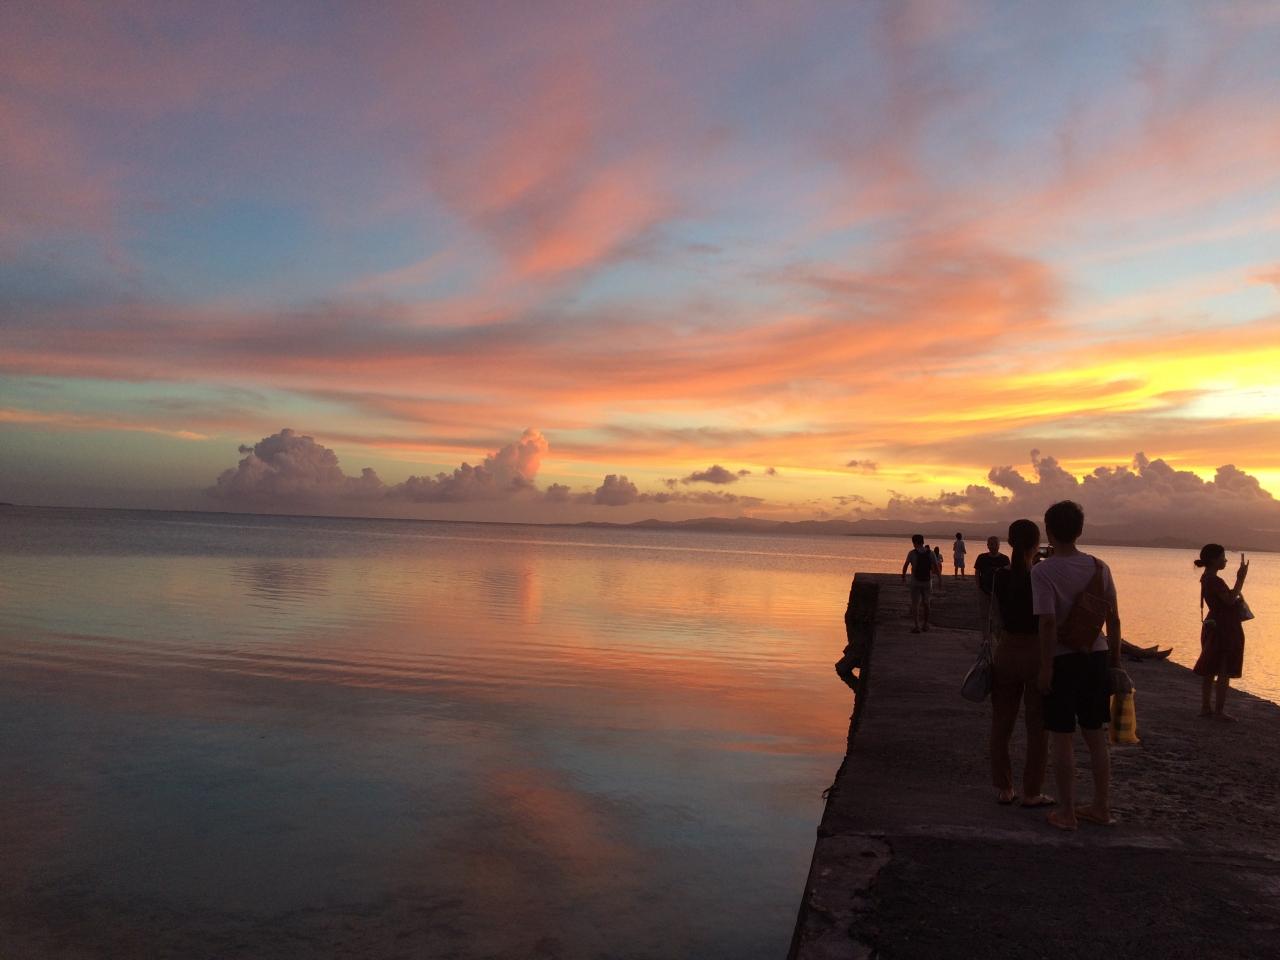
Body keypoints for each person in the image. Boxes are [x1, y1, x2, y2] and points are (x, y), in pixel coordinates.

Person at [1033, 500, 1127, 831]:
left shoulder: (1042, 572)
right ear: (1080, 530)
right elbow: (1114, 620)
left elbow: (1047, 623)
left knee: (1062, 736)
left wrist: (1045, 668)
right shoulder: (1100, 567)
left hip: (1062, 659)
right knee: (1095, 734)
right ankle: (1101, 806)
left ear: (1048, 531)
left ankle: (1067, 812)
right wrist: (1115, 662)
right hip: (1096, 656)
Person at [990, 519, 1051, 807]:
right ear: (1036, 544)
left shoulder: (999, 576)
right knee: (1037, 727)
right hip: (1035, 651)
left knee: (1001, 724)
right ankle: (1031, 792)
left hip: (1006, 649)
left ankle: (1004, 788)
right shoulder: (1041, 576)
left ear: (1010, 542)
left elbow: (994, 615)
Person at [1193, 544, 1249, 721]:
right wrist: (1240, 579)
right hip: (1224, 626)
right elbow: (1230, 600)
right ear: (1213, 560)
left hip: (1214, 623)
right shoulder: (1214, 581)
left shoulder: (1206, 578)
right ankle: (1218, 711)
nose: (1225, 560)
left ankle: (1206, 708)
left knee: (1210, 668)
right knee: (1223, 669)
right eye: (1222, 557)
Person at [973, 535, 1010, 643]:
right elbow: (977, 572)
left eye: (995, 544)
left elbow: (1008, 575)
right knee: (984, 616)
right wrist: (978, 587)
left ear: (999, 545)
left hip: (998, 593)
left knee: (998, 617)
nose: (993, 546)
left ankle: (998, 639)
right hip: (984, 591)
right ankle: (986, 638)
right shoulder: (981, 557)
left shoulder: (1004, 559)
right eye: (991, 544)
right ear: (988, 545)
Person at [900, 534, 938, 633]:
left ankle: (917, 626)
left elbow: (905, 565)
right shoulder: (931, 553)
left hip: (915, 581)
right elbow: (936, 566)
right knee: (926, 603)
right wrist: (940, 579)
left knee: (915, 604)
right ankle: (925, 624)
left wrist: (903, 577)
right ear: (923, 542)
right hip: (927, 581)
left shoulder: (912, 553)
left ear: (914, 543)